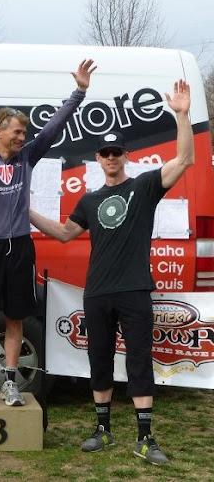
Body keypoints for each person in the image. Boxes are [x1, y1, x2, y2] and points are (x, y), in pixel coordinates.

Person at [29, 80, 193, 464]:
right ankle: (102, 431)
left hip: (134, 289)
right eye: (105, 153)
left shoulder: (145, 186)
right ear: (98, 159)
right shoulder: (89, 200)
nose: (111, 157)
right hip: (98, 292)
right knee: (99, 360)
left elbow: (184, 160)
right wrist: (26, 212)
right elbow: (65, 233)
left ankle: (145, 438)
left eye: (117, 152)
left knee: (138, 360)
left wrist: (182, 116)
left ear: (125, 156)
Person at [0, 60, 96, 407]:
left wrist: (78, 93)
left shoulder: (27, 157)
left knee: (16, 317)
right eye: (17, 132)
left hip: (20, 247)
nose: (22, 138)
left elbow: (53, 128)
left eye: (24, 133)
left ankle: (10, 382)